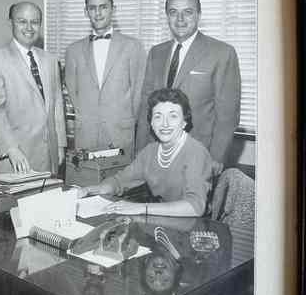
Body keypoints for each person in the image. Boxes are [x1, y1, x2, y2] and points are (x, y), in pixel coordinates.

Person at [136, 0, 241, 165]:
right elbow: (145, 110)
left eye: (188, 12)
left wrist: (213, 164)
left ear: (199, 15)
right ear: (167, 16)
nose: (180, 19)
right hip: (156, 157)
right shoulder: (156, 53)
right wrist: (140, 156)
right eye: (173, 12)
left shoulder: (222, 53)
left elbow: (227, 119)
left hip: (197, 159)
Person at [80, 88, 213, 217]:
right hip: (162, 220)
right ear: (152, 123)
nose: (165, 124)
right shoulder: (150, 151)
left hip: (192, 225)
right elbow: (119, 181)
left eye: (173, 116)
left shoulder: (196, 152)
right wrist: (90, 190)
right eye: (158, 116)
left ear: (184, 122)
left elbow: (195, 206)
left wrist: (141, 208)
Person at [0, 2, 66, 174]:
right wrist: (11, 148)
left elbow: (57, 105)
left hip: (49, 158)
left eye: (35, 22)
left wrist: (61, 145)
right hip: (15, 160)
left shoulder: (50, 60)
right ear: (11, 23)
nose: (29, 27)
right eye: (22, 21)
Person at [65, 0, 146, 160]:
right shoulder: (73, 50)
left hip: (120, 134)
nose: (98, 13)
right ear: (86, 12)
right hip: (86, 134)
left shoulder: (133, 46)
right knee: (86, 177)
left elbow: (138, 92)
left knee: (122, 178)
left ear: (113, 9)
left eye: (103, 7)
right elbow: (72, 91)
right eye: (92, 8)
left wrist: (126, 120)